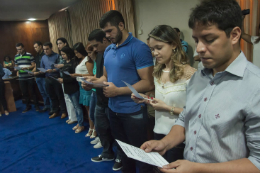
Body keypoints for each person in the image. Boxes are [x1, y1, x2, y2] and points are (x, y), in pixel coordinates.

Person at [141, 0, 260, 172]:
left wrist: (198, 168)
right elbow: (185, 119)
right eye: (196, 40)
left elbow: (257, 162)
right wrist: (165, 142)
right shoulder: (198, 76)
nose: (199, 49)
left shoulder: (255, 85)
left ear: (234, 35)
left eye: (209, 39)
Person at [92, 10, 155, 173]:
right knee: (124, 153)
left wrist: (118, 91)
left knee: (141, 154)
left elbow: (148, 83)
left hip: (133, 111)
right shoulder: (108, 50)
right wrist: (93, 83)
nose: (107, 36)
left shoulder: (139, 47)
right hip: (113, 110)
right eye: (104, 32)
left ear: (121, 25)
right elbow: (105, 78)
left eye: (109, 31)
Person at [132, 25, 196, 163]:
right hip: (158, 129)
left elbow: (194, 113)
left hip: (179, 136)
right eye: (152, 49)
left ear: (173, 44)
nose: (155, 53)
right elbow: (160, 99)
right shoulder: (158, 71)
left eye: (159, 48)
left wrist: (167, 108)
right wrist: (145, 99)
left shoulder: (190, 74)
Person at [82, 29, 122, 171]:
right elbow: (101, 77)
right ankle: (107, 153)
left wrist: (95, 82)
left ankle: (120, 157)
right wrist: (91, 82)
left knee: (116, 132)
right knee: (101, 128)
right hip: (100, 97)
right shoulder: (100, 54)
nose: (94, 49)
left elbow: (115, 79)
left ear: (104, 41)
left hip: (113, 99)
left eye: (95, 45)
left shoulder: (112, 53)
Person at [58, 47, 84, 133]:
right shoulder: (65, 63)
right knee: (74, 106)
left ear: (68, 54)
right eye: (61, 55)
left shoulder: (73, 63)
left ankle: (81, 124)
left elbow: (74, 77)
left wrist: (64, 80)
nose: (62, 56)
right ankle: (78, 122)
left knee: (77, 107)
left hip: (73, 87)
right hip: (67, 87)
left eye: (64, 54)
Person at [71, 43, 94, 136]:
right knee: (87, 108)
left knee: (90, 109)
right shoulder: (81, 60)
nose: (76, 54)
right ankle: (91, 127)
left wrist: (78, 75)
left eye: (77, 52)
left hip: (87, 85)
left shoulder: (87, 60)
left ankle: (92, 128)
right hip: (81, 85)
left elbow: (91, 74)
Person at [41, 42, 67, 119]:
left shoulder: (57, 56)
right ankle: (55, 111)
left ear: (51, 48)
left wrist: (52, 70)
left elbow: (60, 67)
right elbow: (42, 67)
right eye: (44, 49)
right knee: (52, 96)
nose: (45, 51)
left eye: (47, 49)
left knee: (60, 96)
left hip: (56, 78)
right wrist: (41, 71)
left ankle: (64, 112)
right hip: (47, 78)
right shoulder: (43, 57)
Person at [56, 38, 77, 123]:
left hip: (69, 81)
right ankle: (71, 116)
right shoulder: (62, 57)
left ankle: (74, 118)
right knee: (66, 99)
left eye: (60, 43)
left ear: (65, 43)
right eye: (57, 44)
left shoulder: (72, 59)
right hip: (62, 79)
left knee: (72, 101)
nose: (58, 46)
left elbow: (73, 74)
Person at [14, 43, 39, 113]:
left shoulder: (29, 55)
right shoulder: (16, 56)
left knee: (33, 92)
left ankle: (37, 106)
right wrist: (16, 69)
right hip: (21, 77)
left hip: (29, 77)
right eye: (17, 49)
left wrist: (27, 67)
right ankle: (28, 106)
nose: (19, 50)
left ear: (23, 48)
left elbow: (33, 65)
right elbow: (15, 66)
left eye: (20, 49)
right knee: (24, 93)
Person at [33, 41, 51, 112]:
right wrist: (33, 72)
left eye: (36, 47)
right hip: (38, 77)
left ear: (40, 46)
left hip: (44, 76)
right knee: (42, 93)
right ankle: (46, 105)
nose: (35, 49)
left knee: (47, 92)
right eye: (34, 47)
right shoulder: (36, 56)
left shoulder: (45, 55)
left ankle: (51, 107)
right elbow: (36, 66)